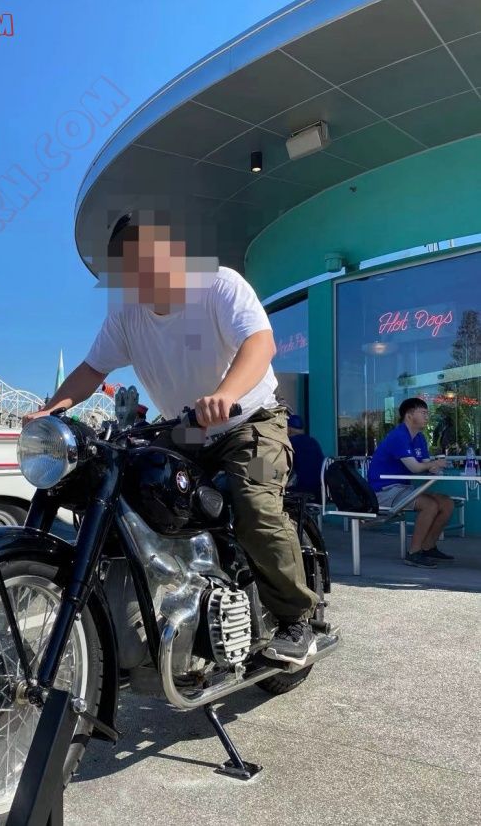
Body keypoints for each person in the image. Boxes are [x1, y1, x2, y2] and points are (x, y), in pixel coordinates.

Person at [23, 210, 319, 665]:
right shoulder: (126, 317)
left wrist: (225, 394)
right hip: (183, 429)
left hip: (252, 420)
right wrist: (51, 410)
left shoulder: (219, 285)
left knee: (254, 504)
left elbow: (260, 343)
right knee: (127, 491)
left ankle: (297, 619)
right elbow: (92, 370)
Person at [367, 397, 454, 568]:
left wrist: (434, 466)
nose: (427, 417)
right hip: (383, 491)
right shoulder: (398, 436)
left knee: (447, 503)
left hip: (402, 489)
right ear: (409, 415)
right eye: (423, 413)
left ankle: (428, 547)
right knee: (429, 505)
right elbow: (415, 467)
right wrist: (433, 464)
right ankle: (414, 553)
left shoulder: (419, 438)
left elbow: (426, 464)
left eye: (427, 413)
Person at [287, 414, 325, 499]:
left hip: (301, 491)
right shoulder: (313, 442)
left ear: (288, 429)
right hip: (319, 491)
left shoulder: (290, 443)